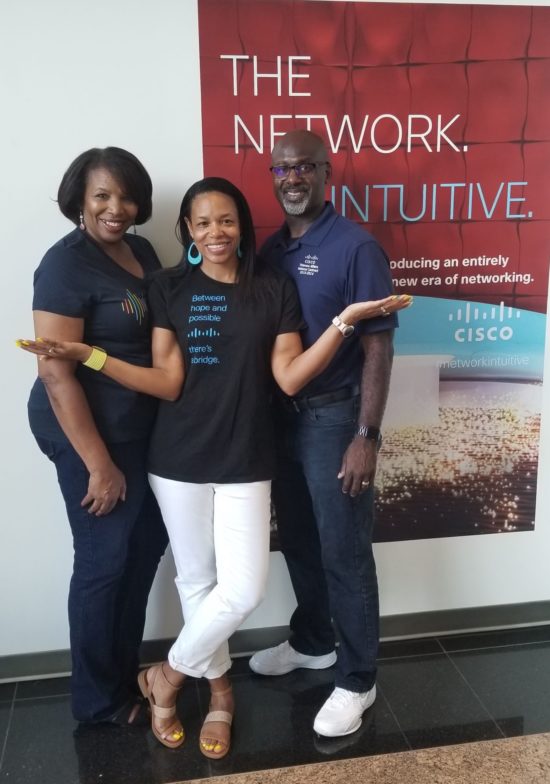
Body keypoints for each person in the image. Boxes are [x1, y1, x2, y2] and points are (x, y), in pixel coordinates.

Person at [19, 176, 411, 757]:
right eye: (202, 222)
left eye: (226, 220)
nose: (215, 231)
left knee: (243, 588)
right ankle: (221, 697)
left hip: (246, 460)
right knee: (198, 584)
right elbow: (167, 381)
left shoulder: (272, 287)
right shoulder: (166, 286)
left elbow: (288, 377)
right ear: (187, 231)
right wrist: (89, 355)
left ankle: (167, 677)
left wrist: (344, 320)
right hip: (174, 461)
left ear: (242, 226)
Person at [249, 130, 398, 738]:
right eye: (282, 168)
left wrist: (367, 433)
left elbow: (379, 347)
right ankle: (313, 641)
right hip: (282, 421)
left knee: (344, 553)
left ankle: (359, 678)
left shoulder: (357, 247)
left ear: (326, 173)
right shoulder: (270, 251)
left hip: (337, 420)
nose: (292, 178)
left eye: (304, 167)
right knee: (302, 545)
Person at [23, 147, 168, 725]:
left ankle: (121, 673)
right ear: (79, 201)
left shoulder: (142, 249)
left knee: (143, 549)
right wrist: (98, 465)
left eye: (126, 196)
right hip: (84, 431)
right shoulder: (64, 265)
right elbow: (56, 372)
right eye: (102, 196)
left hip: (138, 428)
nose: (116, 208)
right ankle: (97, 700)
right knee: (104, 560)